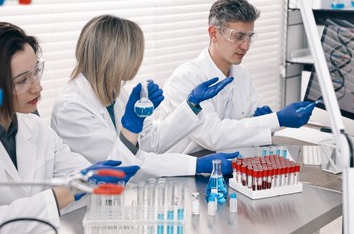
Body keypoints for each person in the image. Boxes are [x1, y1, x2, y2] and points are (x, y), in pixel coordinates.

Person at [0, 22, 139, 234]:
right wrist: (65, 192)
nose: (37, 87)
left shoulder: (37, 129)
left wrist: (128, 134)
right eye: (22, 81)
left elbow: (82, 174)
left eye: (36, 72)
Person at [51, 15, 238, 181]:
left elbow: (149, 142)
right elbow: (124, 163)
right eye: (135, 54)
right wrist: (196, 166)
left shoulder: (115, 91)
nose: (138, 61)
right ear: (115, 57)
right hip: (85, 206)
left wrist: (192, 104)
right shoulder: (71, 108)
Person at [154, 0, 316, 154]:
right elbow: (212, 135)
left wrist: (265, 120)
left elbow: (250, 126)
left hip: (227, 163)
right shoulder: (185, 79)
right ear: (213, 34)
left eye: (249, 37)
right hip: (185, 169)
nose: (246, 46)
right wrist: (276, 120)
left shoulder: (241, 74)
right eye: (238, 37)